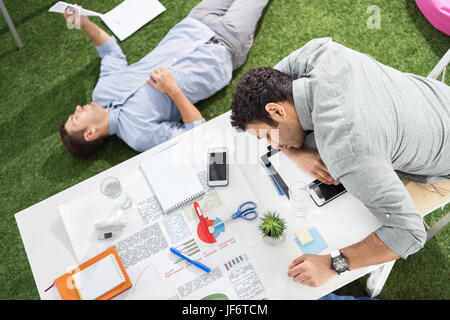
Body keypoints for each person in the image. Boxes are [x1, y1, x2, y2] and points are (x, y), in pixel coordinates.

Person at [230, 37, 450, 287]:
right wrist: (295, 151)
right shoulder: (320, 53)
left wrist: (334, 263)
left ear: (277, 111)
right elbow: (269, 79)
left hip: (442, 169)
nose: (274, 145)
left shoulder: (347, 152)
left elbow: (408, 233)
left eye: (269, 136)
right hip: (438, 100)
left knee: (354, 221)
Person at [59, 0, 270, 158]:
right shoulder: (139, 134)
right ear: (91, 134)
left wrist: (83, 22)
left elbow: (111, 53)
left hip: (195, 22)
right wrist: (173, 91)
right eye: (76, 118)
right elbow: (197, 134)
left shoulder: (102, 91)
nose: (77, 108)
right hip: (225, 46)